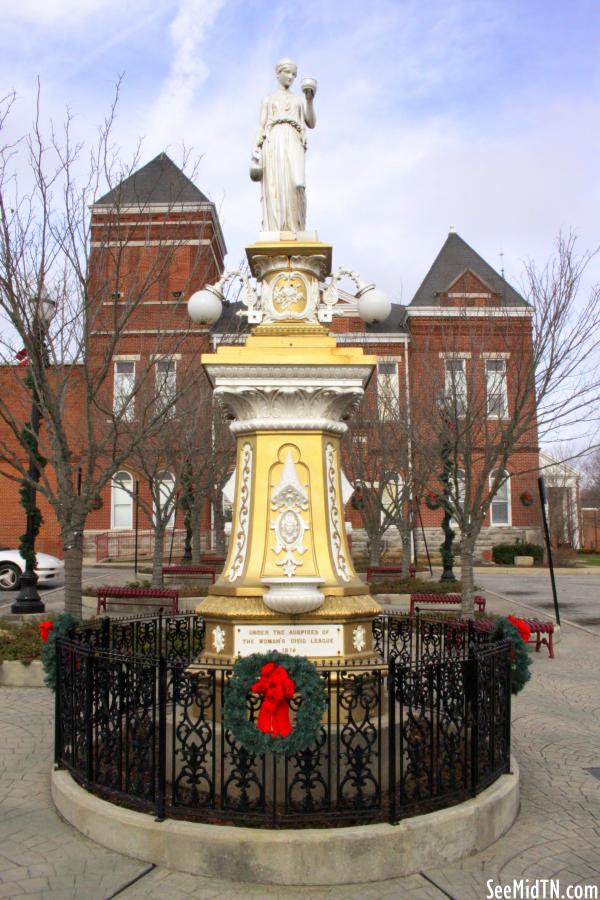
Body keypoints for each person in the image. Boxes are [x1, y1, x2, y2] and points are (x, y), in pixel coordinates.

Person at [251, 59, 316, 233]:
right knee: (275, 184)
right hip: (273, 141)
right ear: (278, 73)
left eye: (294, 74)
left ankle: (297, 226)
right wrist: (254, 150)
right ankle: (276, 226)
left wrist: (309, 100)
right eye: (288, 72)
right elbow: (261, 125)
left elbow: (311, 122)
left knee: (297, 183)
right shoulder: (268, 100)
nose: (291, 77)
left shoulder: (299, 100)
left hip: (294, 139)